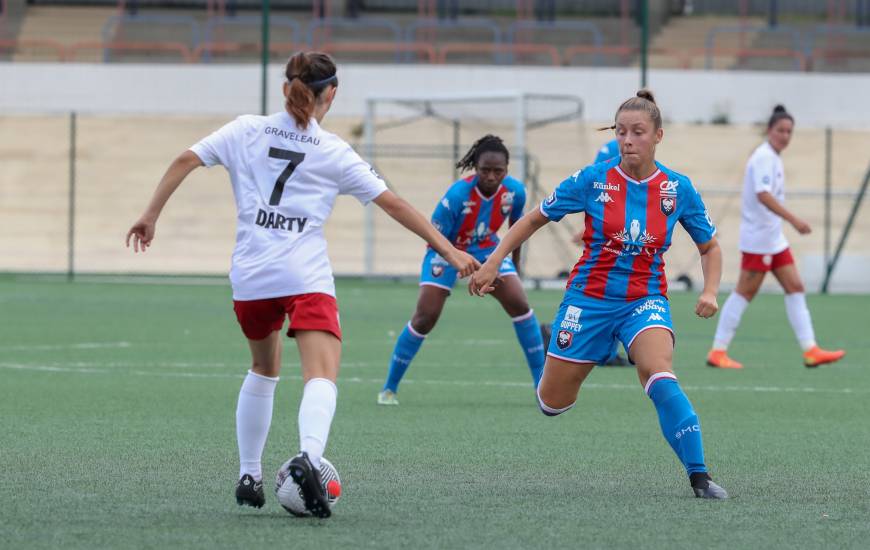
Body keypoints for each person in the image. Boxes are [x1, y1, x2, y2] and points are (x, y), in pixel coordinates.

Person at [125, 52, 478, 517]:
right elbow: (394, 204)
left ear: (286, 88)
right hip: (304, 276)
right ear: (331, 93)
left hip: (251, 277)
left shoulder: (245, 129)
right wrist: (449, 250)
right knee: (322, 373)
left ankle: (249, 472)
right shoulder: (332, 151)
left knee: (263, 370)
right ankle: (308, 459)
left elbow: (185, 159)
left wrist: (150, 215)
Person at [469, 90, 728, 499]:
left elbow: (709, 247)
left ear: (657, 136)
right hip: (587, 301)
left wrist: (711, 290)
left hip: (644, 300)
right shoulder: (591, 180)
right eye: (621, 131)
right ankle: (567, 339)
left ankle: (700, 477)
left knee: (660, 375)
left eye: (637, 132)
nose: (627, 140)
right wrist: (492, 262)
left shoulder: (677, 189)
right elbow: (533, 219)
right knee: (552, 404)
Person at [377, 135, 545, 406]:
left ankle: (542, 387)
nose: (491, 176)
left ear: (507, 169)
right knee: (425, 317)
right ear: (475, 168)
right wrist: (454, 260)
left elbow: (517, 231)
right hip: (446, 250)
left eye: (498, 171)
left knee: (520, 304)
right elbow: (433, 237)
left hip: (488, 250)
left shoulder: (515, 193)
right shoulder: (456, 196)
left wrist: (514, 266)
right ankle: (389, 389)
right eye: (484, 170)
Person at [707, 105, 845, 369]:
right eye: (780, 130)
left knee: (795, 287)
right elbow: (763, 194)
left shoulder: (773, 157)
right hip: (760, 241)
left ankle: (811, 349)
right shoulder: (763, 157)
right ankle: (718, 351)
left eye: (789, 131)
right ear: (769, 131)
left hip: (774, 239)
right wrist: (794, 220)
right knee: (744, 293)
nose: (785, 135)